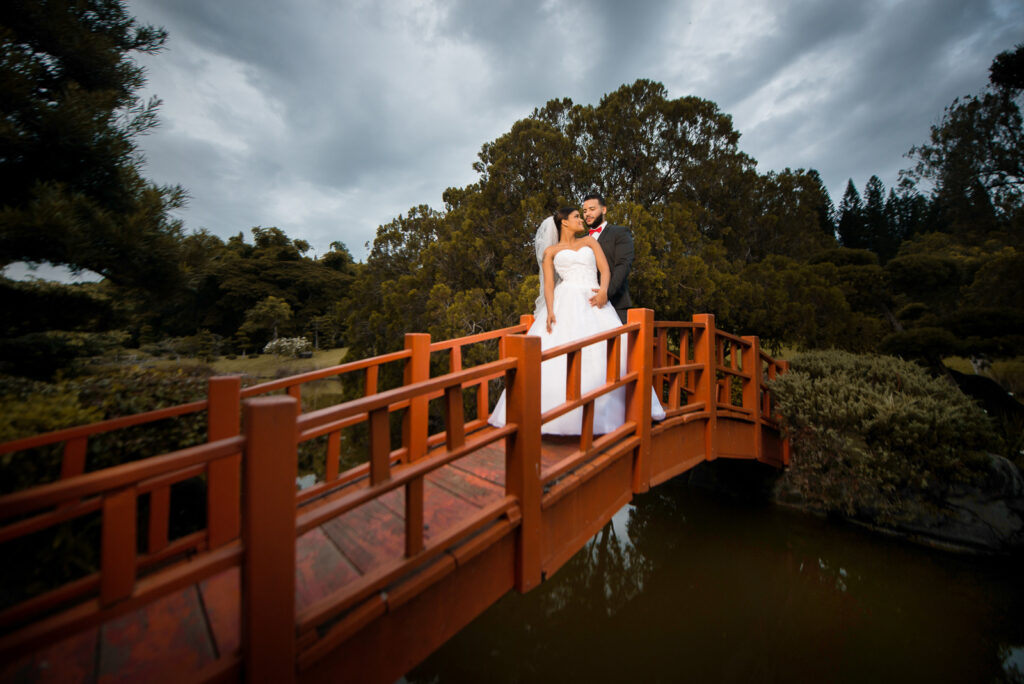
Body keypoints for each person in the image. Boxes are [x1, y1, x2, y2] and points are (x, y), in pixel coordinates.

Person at [489, 207, 665, 435]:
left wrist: (603, 292)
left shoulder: (590, 243)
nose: (581, 219)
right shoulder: (551, 251)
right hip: (565, 302)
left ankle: (615, 412)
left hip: (594, 300)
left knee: (611, 351)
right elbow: (549, 285)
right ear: (564, 222)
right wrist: (550, 310)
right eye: (576, 217)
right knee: (555, 356)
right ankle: (554, 416)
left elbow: (605, 269)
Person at [582, 193, 634, 323]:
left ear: (603, 210)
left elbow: (623, 265)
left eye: (592, 209)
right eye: (584, 211)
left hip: (616, 304)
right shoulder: (580, 240)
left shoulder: (620, 232)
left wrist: (605, 294)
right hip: (584, 306)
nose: (587, 214)